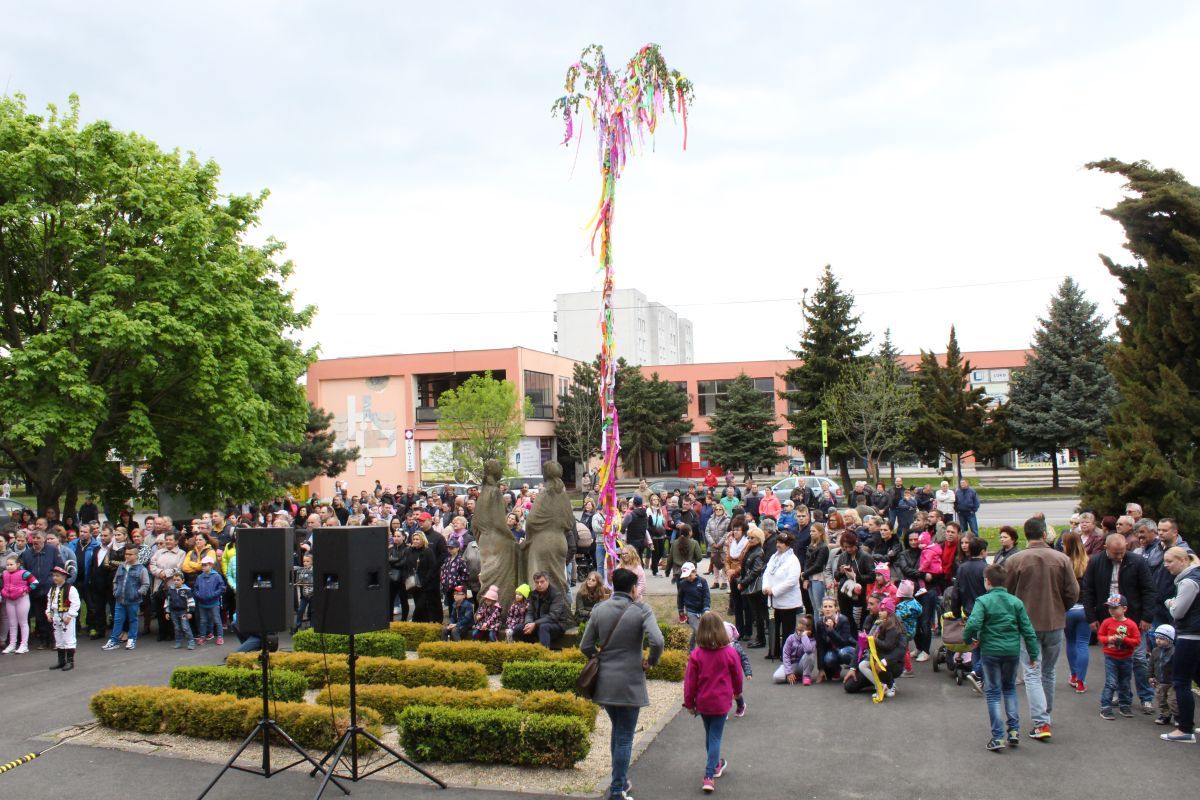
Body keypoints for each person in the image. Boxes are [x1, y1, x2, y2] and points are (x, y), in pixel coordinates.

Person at [580, 567, 663, 800]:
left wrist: (598, 658)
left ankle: (621, 780)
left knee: (618, 731)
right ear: (634, 588)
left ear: (613, 586)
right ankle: (617, 789)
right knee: (625, 736)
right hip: (629, 682)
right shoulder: (642, 610)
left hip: (605, 681)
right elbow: (657, 640)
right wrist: (651, 661)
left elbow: (585, 645)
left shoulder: (599, 609)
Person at [1003, 517, 1079, 740]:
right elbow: (1073, 592)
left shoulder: (1015, 561)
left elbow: (1005, 593)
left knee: (1032, 672)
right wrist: (1061, 608)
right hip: (1054, 622)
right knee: (1048, 671)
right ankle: (1046, 715)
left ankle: (1041, 721)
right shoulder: (1062, 559)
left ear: (1025, 535)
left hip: (1026, 624)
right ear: (1044, 534)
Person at [963, 564, 1040, 752]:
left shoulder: (983, 601)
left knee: (993, 693)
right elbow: (1027, 629)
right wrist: (1033, 654)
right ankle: (1013, 730)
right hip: (1011, 651)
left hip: (990, 651)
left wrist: (968, 639)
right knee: (1009, 688)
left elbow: (973, 623)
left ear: (987, 581)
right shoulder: (1016, 602)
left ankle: (997, 736)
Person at [1079, 532, 1156, 714]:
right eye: (1116, 553)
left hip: (1134, 619)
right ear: (1106, 548)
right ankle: (1118, 693)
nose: (1120, 556)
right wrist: (1091, 617)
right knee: (1113, 658)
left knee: (1138, 659)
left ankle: (1146, 697)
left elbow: (1149, 590)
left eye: (1123, 552)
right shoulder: (1096, 562)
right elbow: (1088, 590)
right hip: (1108, 620)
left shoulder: (1137, 562)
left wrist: (1147, 617)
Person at [682, 610, 742, 793]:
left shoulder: (697, 655)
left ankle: (715, 764)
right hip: (721, 702)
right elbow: (737, 675)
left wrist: (689, 703)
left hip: (703, 702)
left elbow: (690, 682)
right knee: (715, 736)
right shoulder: (730, 653)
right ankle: (709, 775)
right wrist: (737, 692)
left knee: (710, 735)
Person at [1160, 546, 1200, 743]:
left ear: (1183, 560)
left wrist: (1170, 603)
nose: (1166, 565)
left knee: (1181, 681)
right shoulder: (1195, 577)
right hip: (1195, 634)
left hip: (1190, 636)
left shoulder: (1188, 582)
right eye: (1164, 562)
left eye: (1170, 561)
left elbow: (1178, 612)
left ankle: (1184, 729)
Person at [1098, 593, 1140, 720]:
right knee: (1111, 682)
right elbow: (1100, 636)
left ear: (1124, 609)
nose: (1111, 610)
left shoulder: (1131, 624)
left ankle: (1125, 704)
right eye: (1110, 607)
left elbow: (1137, 641)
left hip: (1126, 657)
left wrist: (1124, 639)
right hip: (1110, 657)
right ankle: (1105, 706)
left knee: (1125, 682)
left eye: (1115, 607)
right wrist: (1109, 639)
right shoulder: (1107, 622)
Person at [762, 531, 802, 657]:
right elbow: (767, 573)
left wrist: (774, 590)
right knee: (774, 626)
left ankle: (786, 653)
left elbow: (791, 581)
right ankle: (774, 651)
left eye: (782, 543)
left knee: (787, 629)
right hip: (773, 600)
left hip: (788, 601)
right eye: (778, 542)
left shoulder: (793, 560)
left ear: (788, 545)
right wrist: (766, 587)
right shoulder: (774, 557)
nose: (778, 545)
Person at [1061, 531, 1091, 693]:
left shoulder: (1062, 563)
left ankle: (1073, 674)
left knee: (1071, 642)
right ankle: (1081, 681)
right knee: (1082, 644)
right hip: (1085, 609)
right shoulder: (1089, 562)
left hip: (1068, 609)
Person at [103, 545, 148, 651]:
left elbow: (145, 584)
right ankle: (114, 641)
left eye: (130, 554)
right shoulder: (121, 566)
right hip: (120, 599)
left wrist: (137, 593)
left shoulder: (141, 569)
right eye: (126, 554)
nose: (127, 556)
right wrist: (115, 591)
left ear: (136, 555)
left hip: (133, 600)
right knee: (118, 620)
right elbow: (115, 580)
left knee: (133, 620)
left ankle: (131, 639)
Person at [45, 565, 80, 671]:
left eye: (57, 576)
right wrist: (48, 613)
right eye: (54, 575)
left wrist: (69, 616)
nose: (55, 578)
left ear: (64, 577)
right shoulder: (52, 589)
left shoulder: (71, 589)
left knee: (69, 638)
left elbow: (75, 603)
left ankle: (70, 661)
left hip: (66, 615)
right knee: (59, 639)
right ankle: (61, 661)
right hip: (56, 616)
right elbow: (49, 602)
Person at [736, 527, 767, 647]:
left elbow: (755, 571)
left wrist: (743, 583)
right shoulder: (751, 549)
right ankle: (759, 638)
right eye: (748, 537)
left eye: (752, 537)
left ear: (759, 539)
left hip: (755, 588)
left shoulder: (758, 552)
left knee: (758, 614)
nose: (749, 539)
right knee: (756, 614)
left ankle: (761, 639)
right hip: (750, 585)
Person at [521, 571, 569, 647]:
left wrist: (535, 624)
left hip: (557, 624)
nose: (539, 584)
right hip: (537, 623)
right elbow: (529, 612)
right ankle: (524, 650)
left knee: (543, 627)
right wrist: (528, 623)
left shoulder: (556, 594)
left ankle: (543, 652)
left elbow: (553, 616)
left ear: (547, 581)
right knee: (519, 628)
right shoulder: (533, 594)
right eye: (537, 582)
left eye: (542, 582)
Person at [2, 554, 38, 654]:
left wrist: (26, 590)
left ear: (18, 564)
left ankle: (24, 645)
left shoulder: (25, 573)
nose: (9, 566)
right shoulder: (4, 573)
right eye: (7, 565)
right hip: (9, 600)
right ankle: (12, 644)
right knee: (12, 623)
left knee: (23, 622)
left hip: (22, 600)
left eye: (11, 564)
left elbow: (35, 582)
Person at [815, 596, 855, 680]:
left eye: (830, 606)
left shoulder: (843, 620)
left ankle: (855, 669)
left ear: (836, 608)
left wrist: (831, 631)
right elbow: (820, 646)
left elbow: (843, 642)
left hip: (846, 647)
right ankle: (836, 669)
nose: (827, 609)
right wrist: (821, 669)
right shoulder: (820, 623)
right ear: (822, 608)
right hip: (832, 649)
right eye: (825, 607)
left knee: (843, 653)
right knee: (829, 659)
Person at [675, 561, 711, 650]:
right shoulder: (682, 584)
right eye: (686, 577)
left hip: (702, 610)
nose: (688, 578)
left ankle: (691, 648)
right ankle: (703, 650)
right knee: (698, 631)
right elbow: (680, 598)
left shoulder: (702, 581)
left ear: (694, 572)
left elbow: (706, 595)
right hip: (691, 611)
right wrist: (680, 610)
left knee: (699, 630)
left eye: (690, 576)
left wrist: (706, 608)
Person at [193, 555, 227, 645]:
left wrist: (214, 595)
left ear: (211, 565)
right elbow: (195, 588)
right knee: (203, 620)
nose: (203, 567)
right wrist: (198, 595)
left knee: (217, 620)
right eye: (202, 565)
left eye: (205, 565)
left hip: (214, 602)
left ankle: (220, 637)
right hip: (202, 603)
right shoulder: (199, 577)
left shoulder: (217, 576)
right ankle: (202, 637)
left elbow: (222, 588)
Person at [774, 616, 817, 685]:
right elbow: (786, 654)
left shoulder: (812, 640)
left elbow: (808, 650)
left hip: (802, 665)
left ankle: (806, 676)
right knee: (777, 677)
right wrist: (789, 672)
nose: (799, 633)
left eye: (802, 631)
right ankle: (795, 676)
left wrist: (804, 636)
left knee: (810, 654)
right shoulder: (791, 638)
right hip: (791, 665)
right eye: (798, 630)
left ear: (809, 631)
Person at [1149, 624, 1177, 727]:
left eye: (1162, 638)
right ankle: (1165, 716)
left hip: (1172, 682)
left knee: (1173, 700)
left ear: (1169, 639)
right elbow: (1151, 664)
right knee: (1161, 700)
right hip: (1159, 681)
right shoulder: (1155, 651)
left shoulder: (1174, 652)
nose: (1158, 640)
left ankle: (1178, 717)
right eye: (1157, 638)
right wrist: (1150, 676)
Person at [164, 572, 196, 650]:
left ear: (183, 580)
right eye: (174, 580)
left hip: (183, 612)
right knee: (177, 628)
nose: (176, 582)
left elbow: (191, 601)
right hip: (173, 612)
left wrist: (190, 612)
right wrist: (167, 612)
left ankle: (191, 642)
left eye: (178, 580)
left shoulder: (187, 590)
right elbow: (167, 601)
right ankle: (178, 642)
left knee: (185, 627)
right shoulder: (171, 590)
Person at [294, 552, 314, 632]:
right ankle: (297, 626)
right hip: (304, 595)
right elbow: (298, 581)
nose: (305, 563)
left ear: (312, 562)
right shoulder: (302, 571)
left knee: (313, 611)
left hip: (313, 595)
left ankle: (312, 627)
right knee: (300, 610)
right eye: (304, 561)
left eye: (307, 561)